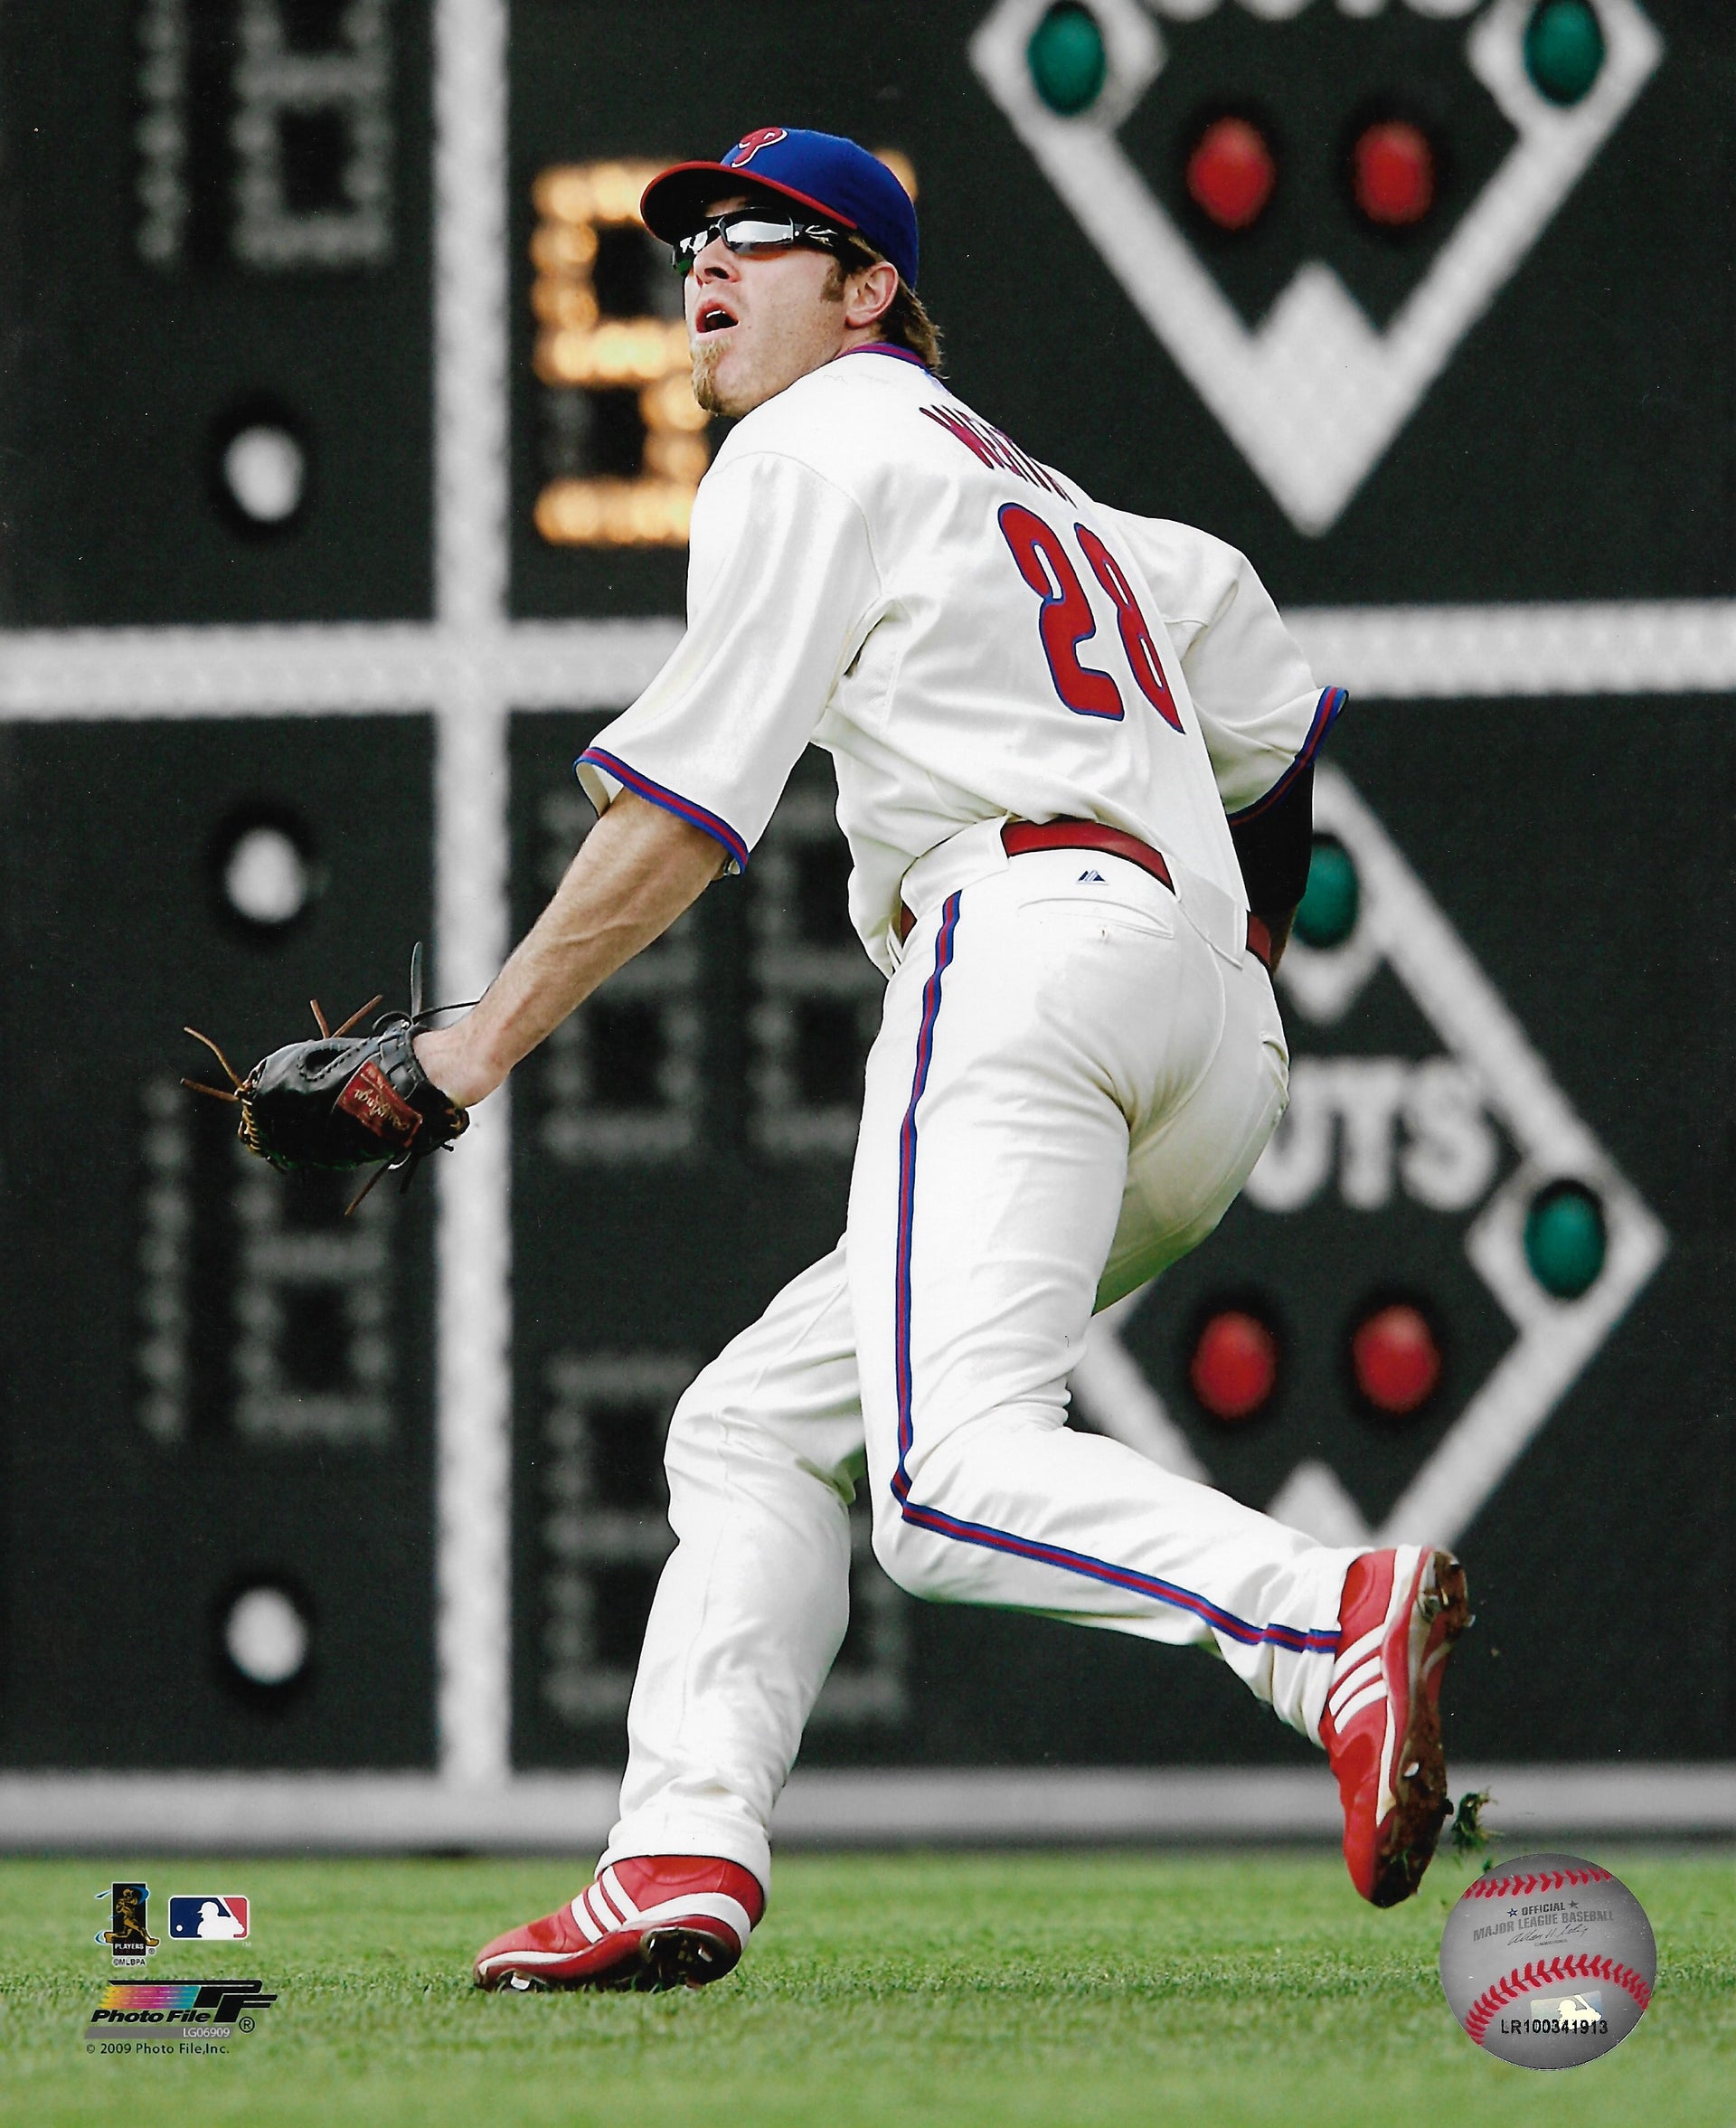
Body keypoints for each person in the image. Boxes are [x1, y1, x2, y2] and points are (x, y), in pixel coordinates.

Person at [417, 127, 1472, 1996]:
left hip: (1022, 949)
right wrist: (1239, 958)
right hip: (1209, 1029)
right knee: (754, 1424)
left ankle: (1327, 1619)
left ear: (873, 288)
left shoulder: (811, 444)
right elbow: (1273, 702)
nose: (706, 272)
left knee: (944, 1479)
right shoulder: (1062, 506)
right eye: (693, 246)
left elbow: (679, 815)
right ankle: (677, 1857)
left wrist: (463, 1057)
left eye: (762, 237)